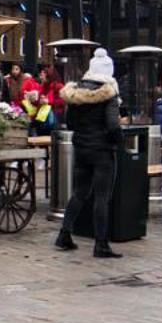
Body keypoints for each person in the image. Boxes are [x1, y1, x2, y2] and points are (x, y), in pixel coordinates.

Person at [56, 49, 124, 258]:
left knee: (79, 193)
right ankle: (101, 244)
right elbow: (113, 126)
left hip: (82, 148)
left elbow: (71, 123)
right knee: (102, 198)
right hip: (102, 152)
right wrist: (117, 140)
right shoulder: (108, 94)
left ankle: (64, 234)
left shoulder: (77, 93)